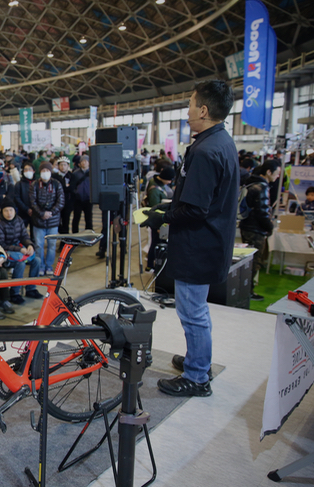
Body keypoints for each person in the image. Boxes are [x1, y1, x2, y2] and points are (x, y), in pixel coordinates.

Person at [141, 80, 238, 397]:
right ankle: (198, 360)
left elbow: (196, 209)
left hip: (199, 245)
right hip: (209, 242)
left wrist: (163, 216)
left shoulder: (207, 151)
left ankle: (197, 377)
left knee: (193, 313)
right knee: (196, 311)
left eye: (191, 104)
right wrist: (170, 205)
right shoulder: (220, 141)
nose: (187, 112)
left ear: (204, 110)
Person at [239, 160, 280, 301]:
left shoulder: (251, 183)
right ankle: (247, 292)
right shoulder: (262, 187)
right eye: (277, 173)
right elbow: (262, 212)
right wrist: (269, 226)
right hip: (255, 229)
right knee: (254, 262)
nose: (277, 176)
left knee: (248, 261)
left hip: (247, 226)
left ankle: (246, 290)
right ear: (269, 172)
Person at [0, 199, 43, 304]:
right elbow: (1, 245)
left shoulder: (18, 220)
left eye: (11, 210)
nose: (9, 213)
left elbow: (24, 236)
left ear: (15, 211)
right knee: (20, 264)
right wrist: (20, 249)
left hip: (17, 250)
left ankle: (31, 289)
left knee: (37, 260)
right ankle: (14, 293)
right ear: (2, 212)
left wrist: (29, 245)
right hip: (3, 254)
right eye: (6, 210)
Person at [30, 162, 64, 276]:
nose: (45, 173)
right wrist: (41, 213)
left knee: (52, 245)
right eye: (43, 171)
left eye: (47, 171)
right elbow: (32, 201)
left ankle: (49, 265)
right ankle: (40, 266)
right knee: (39, 245)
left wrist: (51, 213)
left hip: (53, 221)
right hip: (38, 220)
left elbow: (61, 201)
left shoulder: (56, 184)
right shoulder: (34, 185)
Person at [144, 165, 176, 271]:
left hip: (160, 219)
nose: (170, 182)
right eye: (169, 180)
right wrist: (159, 225)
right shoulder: (154, 190)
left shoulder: (158, 183)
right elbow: (155, 209)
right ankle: (150, 265)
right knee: (155, 243)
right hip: (157, 220)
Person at [72, 155, 92, 235]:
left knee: (88, 218)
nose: (84, 162)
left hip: (88, 199)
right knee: (76, 218)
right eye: (82, 161)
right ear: (80, 163)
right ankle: (75, 235)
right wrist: (75, 193)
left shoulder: (92, 173)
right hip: (78, 199)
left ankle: (89, 235)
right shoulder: (75, 173)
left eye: (86, 161)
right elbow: (72, 186)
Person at [53, 156, 74, 235]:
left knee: (66, 222)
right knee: (56, 222)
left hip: (68, 203)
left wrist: (65, 187)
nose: (63, 167)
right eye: (61, 165)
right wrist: (65, 186)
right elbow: (57, 188)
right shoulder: (54, 177)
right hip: (56, 203)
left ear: (68, 166)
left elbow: (71, 188)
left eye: (65, 165)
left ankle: (65, 240)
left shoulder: (71, 176)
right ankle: (63, 234)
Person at [15, 162, 35, 231]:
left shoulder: (37, 183)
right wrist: (27, 209)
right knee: (21, 232)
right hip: (22, 212)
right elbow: (17, 198)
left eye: (29, 169)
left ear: (33, 171)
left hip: (35, 213)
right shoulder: (19, 184)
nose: (28, 171)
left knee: (35, 235)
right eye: (25, 170)